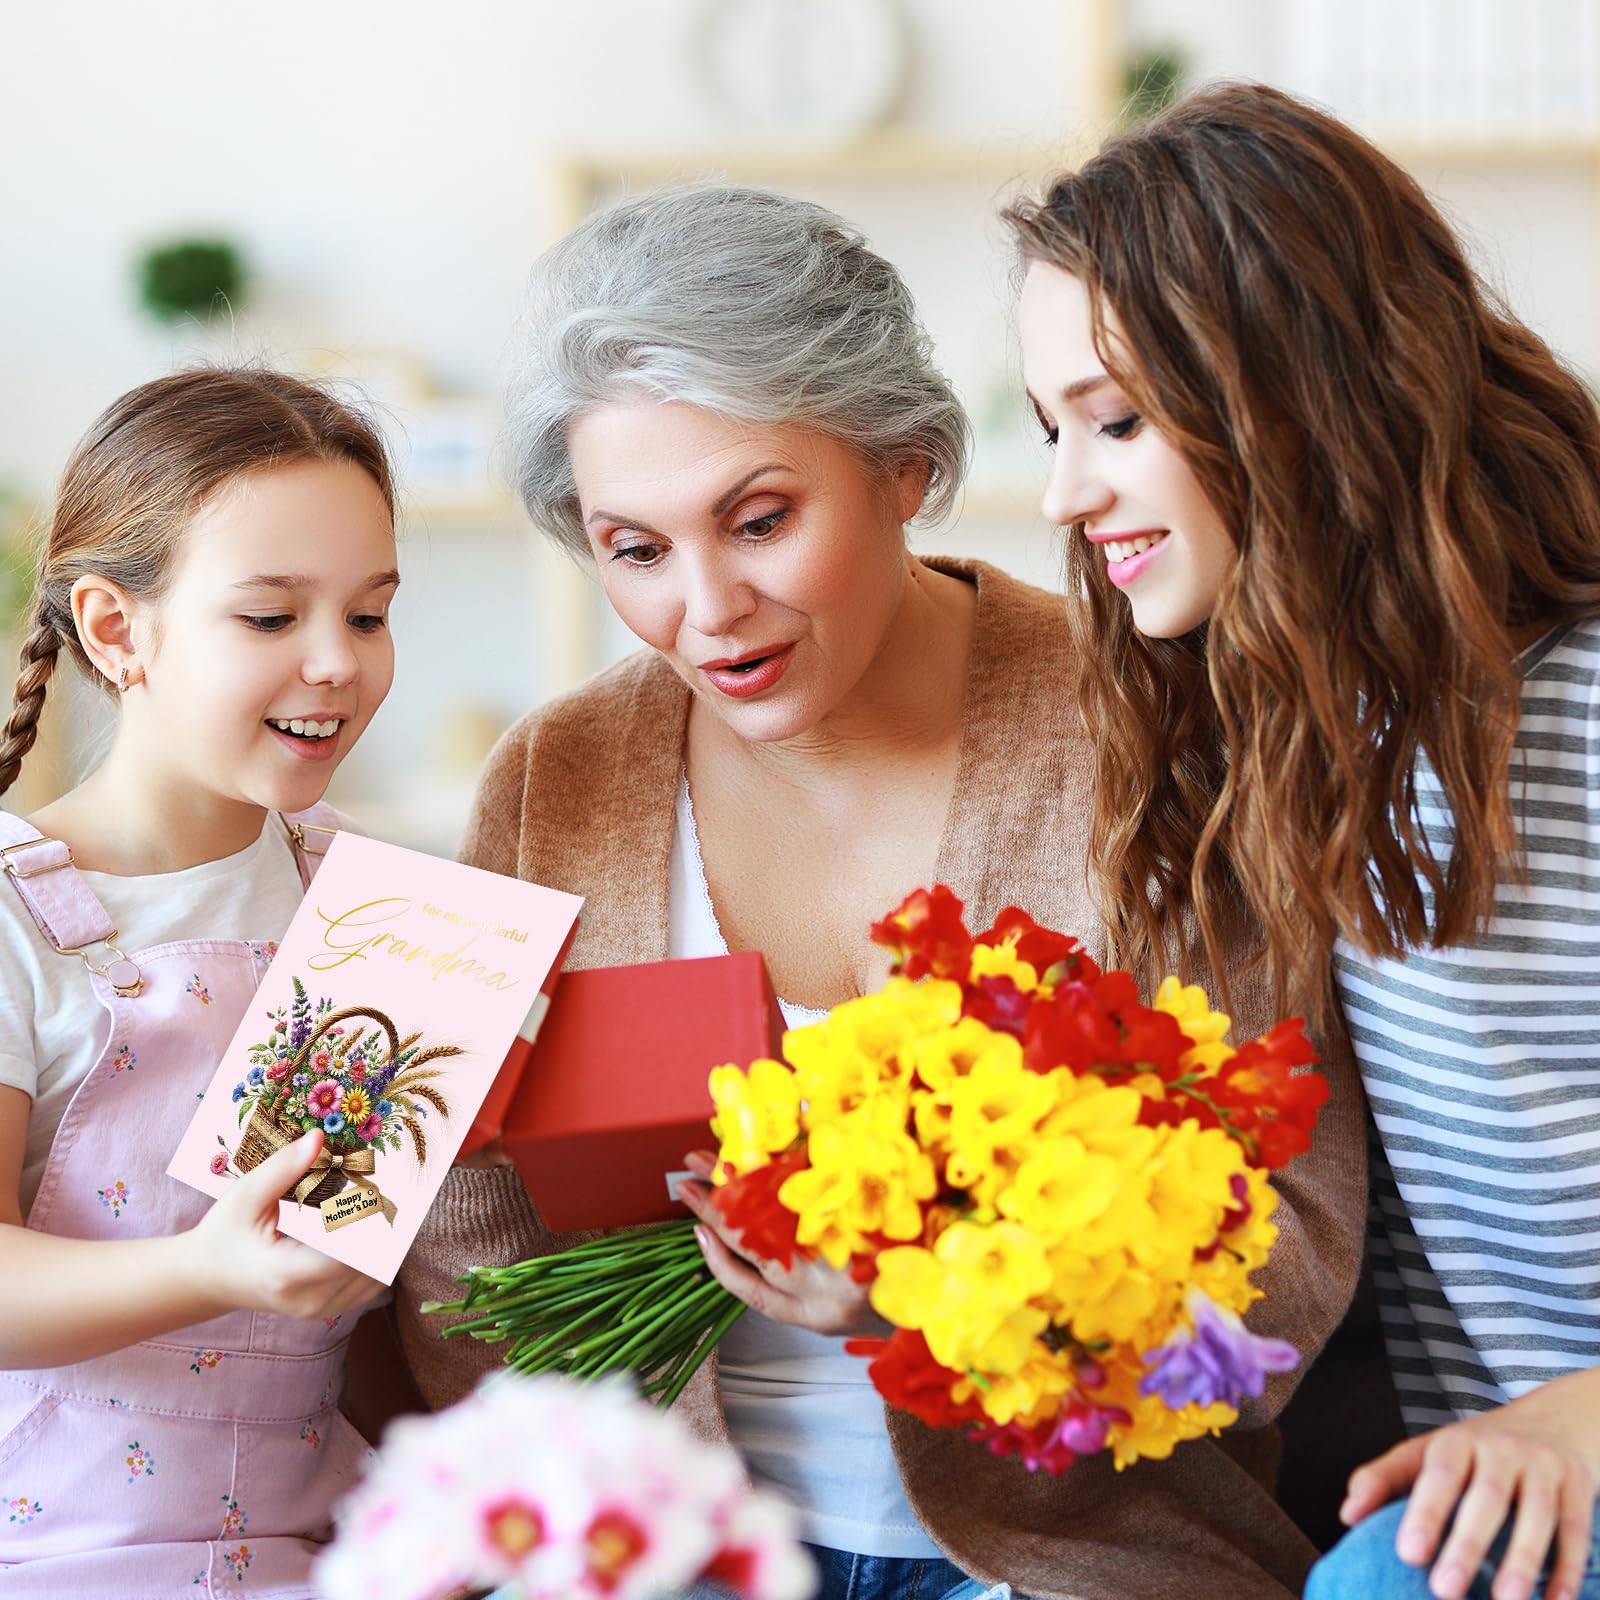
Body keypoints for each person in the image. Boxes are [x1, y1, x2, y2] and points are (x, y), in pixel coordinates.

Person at [391, 181, 1368, 1600]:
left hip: (1079, 1549)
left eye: (762, 519)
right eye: (637, 551)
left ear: (905, 465)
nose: (709, 609)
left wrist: (948, 1304)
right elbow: (464, 1244)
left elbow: (1291, 1241)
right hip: (666, 1553)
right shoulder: (558, 778)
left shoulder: (1155, 738)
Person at [1006, 81, 1600, 1600]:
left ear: (1297, 393)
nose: (1066, 493)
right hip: (1484, 1495)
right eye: (1050, 428)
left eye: (1118, 421)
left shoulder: (1580, 709)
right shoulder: (1301, 737)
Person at [0, 368, 400, 1596]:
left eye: (372, 613)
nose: (336, 662)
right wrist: (210, 1269)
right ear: (116, 628)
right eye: (272, 618)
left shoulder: (378, 908)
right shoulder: (15, 915)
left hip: (339, 1553)